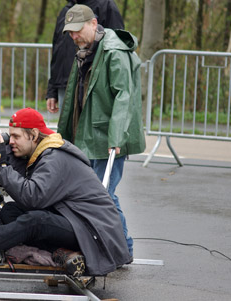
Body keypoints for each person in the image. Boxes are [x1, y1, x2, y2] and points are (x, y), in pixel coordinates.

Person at [0, 108, 132, 277]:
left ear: (34, 135)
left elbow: (33, 197)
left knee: (35, 221)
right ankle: (62, 253)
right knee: (10, 212)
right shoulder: (40, 151)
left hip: (93, 232)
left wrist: (2, 166)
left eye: (16, 136)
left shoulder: (55, 157)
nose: (11, 142)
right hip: (75, 219)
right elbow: (19, 177)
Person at [57, 4, 146, 256]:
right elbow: (75, 97)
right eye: (70, 32)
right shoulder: (87, 50)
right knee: (96, 195)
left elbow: (123, 96)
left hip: (107, 138)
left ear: (94, 23)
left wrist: (116, 136)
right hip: (88, 135)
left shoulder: (114, 51)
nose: (74, 37)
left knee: (103, 196)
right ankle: (105, 245)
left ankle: (123, 248)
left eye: (77, 30)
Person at [46, 0, 124, 114]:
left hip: (94, 85)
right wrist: (52, 89)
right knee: (68, 129)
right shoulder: (66, 11)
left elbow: (117, 46)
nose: (74, 36)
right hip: (65, 86)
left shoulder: (106, 6)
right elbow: (57, 51)